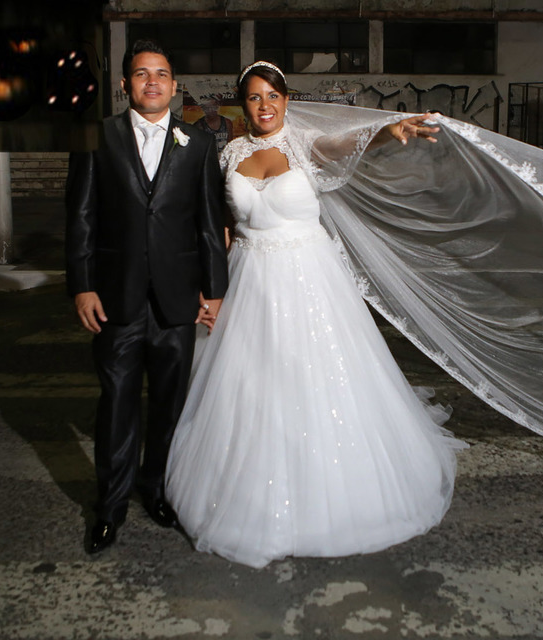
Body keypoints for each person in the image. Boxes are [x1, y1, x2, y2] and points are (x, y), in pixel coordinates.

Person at [165, 61, 464, 568]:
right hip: (248, 279)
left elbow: (349, 145)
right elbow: (225, 225)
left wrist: (388, 132)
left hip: (306, 277)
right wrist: (212, 288)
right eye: (254, 98)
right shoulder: (232, 152)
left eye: (272, 96)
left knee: (318, 379)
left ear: (286, 98)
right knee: (249, 386)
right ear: (244, 104)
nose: (264, 106)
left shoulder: (306, 143)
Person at [66, 39, 229, 555]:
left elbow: (209, 224)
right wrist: (82, 284)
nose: (152, 82)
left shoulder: (199, 144)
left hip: (177, 301)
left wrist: (215, 291)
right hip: (115, 297)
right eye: (141, 74)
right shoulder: (98, 138)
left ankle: (156, 489)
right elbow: (81, 217)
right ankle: (109, 509)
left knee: (169, 406)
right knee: (116, 404)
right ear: (125, 84)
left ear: (175, 85)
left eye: (161, 73)